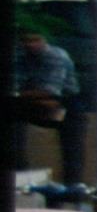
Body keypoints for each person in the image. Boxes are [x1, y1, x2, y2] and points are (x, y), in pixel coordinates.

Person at [14, 28, 79, 179]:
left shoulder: (56, 56)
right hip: (32, 103)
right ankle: (18, 174)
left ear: (44, 40)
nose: (31, 44)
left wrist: (23, 94)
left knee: (73, 135)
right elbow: (14, 86)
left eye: (35, 40)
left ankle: (73, 184)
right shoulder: (19, 55)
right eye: (26, 41)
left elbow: (50, 91)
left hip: (64, 104)